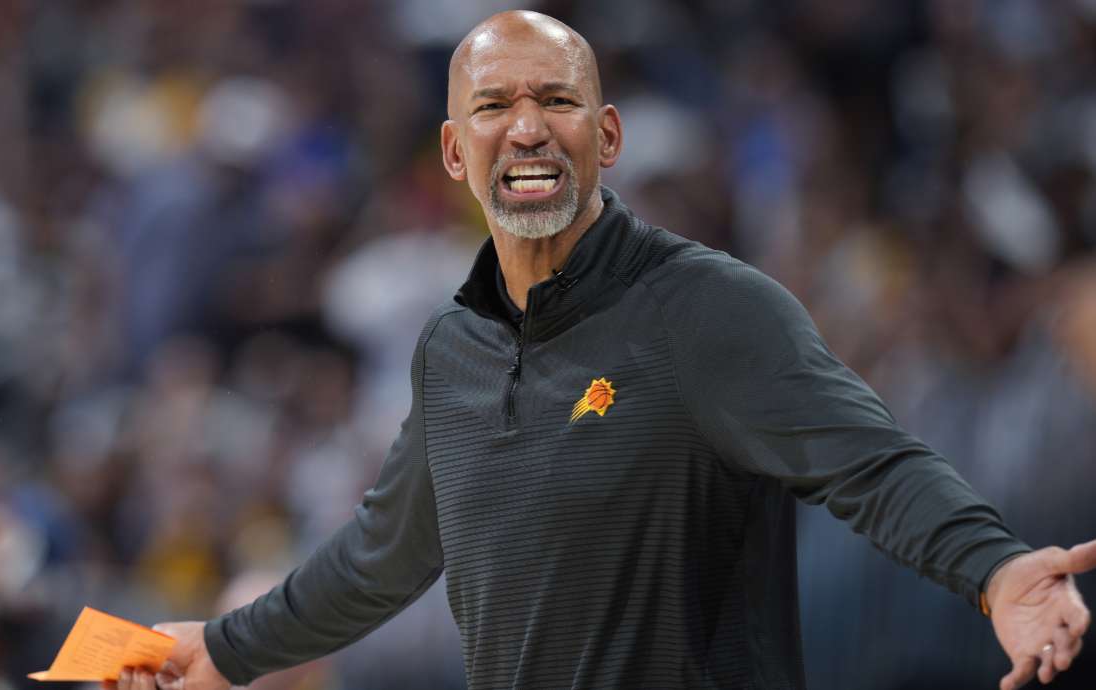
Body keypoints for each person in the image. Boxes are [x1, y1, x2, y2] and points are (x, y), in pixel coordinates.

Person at [106, 11, 1095, 690]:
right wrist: (227, 650)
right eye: (493, 107)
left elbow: (871, 463)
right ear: (455, 153)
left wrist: (995, 572)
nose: (527, 129)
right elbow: (381, 556)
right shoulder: (450, 351)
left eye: (557, 102)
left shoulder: (708, 309)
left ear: (605, 135)